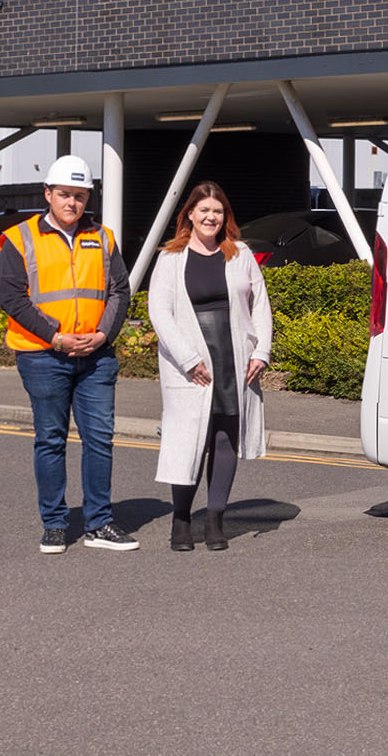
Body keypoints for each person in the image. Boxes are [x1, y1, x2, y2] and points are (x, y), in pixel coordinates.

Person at [0, 155, 134, 554]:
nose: (71, 202)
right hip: (43, 355)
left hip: (96, 354)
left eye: (79, 195)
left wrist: (104, 333)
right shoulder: (21, 238)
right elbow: (10, 296)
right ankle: (55, 524)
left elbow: (119, 291)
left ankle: (99, 523)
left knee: (99, 440)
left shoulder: (103, 238)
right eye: (64, 194)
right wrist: (56, 337)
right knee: (51, 439)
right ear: (48, 194)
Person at [147, 182, 272, 552]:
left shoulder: (240, 253)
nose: (210, 217)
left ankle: (216, 519)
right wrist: (187, 359)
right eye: (204, 210)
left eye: (217, 211)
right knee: (188, 440)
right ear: (189, 213)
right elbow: (160, 313)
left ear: (225, 217)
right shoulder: (170, 258)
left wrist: (261, 352)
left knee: (223, 437)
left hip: (232, 358)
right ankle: (182, 519)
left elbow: (260, 305)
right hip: (190, 364)